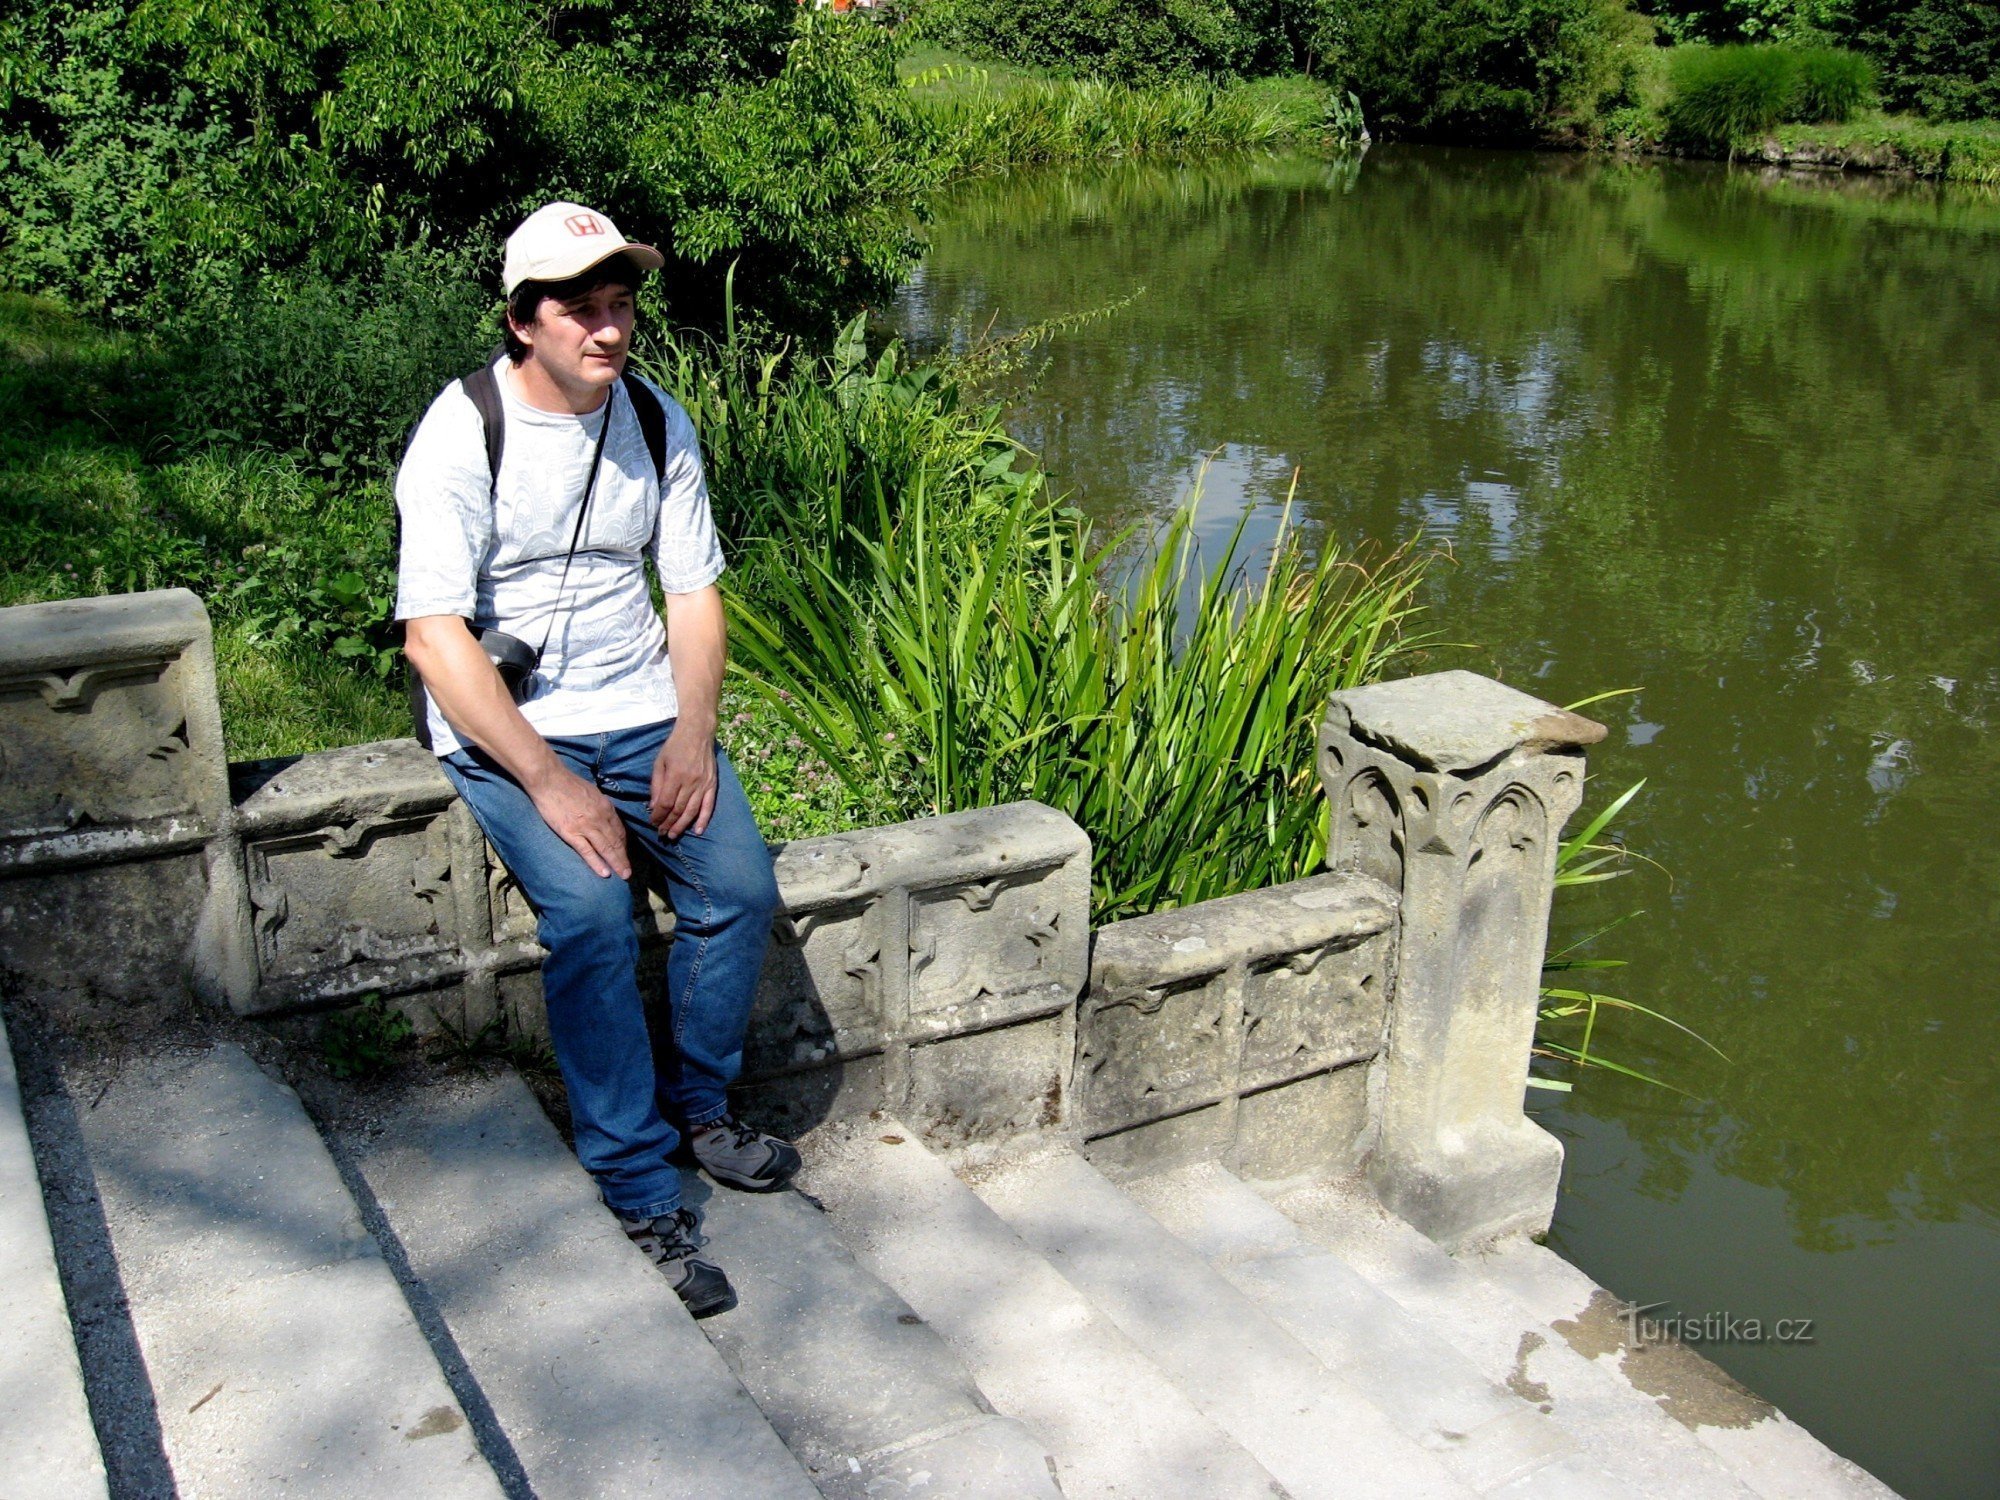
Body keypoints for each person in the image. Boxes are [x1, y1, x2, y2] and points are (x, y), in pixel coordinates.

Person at [395, 201, 796, 1319]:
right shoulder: (459, 434)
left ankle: (699, 1109)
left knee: (737, 886)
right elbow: (433, 639)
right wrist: (548, 778)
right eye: (582, 308)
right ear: (525, 321)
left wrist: (690, 732)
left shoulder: (655, 421)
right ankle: (635, 1182)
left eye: (620, 306)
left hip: (640, 711)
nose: (608, 330)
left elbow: (693, 592)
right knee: (590, 915)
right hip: (511, 729)